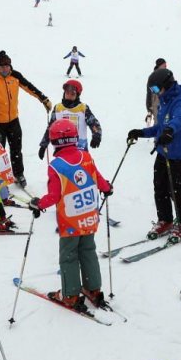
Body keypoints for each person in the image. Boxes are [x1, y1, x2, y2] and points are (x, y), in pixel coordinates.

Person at [29, 119, 112, 311]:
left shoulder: (57, 166)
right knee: (88, 251)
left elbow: (54, 196)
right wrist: (107, 188)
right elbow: (97, 177)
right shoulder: (85, 157)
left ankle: (70, 294)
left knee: (69, 256)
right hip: (89, 216)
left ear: (54, 142)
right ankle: (94, 288)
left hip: (70, 221)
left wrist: (38, 204)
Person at [126, 69, 181, 241]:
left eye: (156, 90)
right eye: (153, 91)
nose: (155, 94)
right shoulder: (165, 102)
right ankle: (165, 219)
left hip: (179, 153)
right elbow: (160, 127)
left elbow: (177, 120)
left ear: (166, 85)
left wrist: (170, 131)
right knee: (160, 187)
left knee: (177, 189)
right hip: (163, 151)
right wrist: (141, 132)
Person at [0, 50, 52, 187]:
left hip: (13, 120)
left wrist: (43, 99)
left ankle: (18, 174)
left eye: (7, 66)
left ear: (10, 66)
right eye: (1, 66)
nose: (4, 69)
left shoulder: (15, 76)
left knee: (16, 150)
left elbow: (30, 87)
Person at [39, 79, 103, 158]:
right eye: (67, 93)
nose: (69, 96)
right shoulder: (58, 108)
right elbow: (50, 127)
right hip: (61, 149)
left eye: (72, 94)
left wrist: (96, 135)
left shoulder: (83, 108)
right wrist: (43, 145)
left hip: (80, 149)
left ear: (77, 95)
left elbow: (94, 123)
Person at [147, 58, 168, 125]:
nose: (166, 66)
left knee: (168, 123)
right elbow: (150, 93)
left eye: (166, 65)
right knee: (159, 124)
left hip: (167, 103)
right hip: (157, 104)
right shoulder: (153, 77)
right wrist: (149, 110)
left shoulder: (167, 74)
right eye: (164, 65)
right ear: (159, 65)